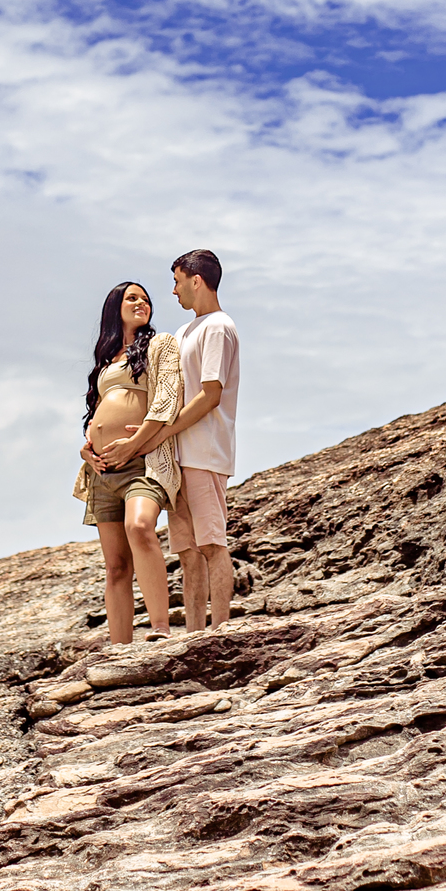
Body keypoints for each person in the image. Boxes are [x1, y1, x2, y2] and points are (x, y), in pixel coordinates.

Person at [73, 281, 183, 644]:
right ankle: (118, 647)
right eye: (132, 298)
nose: (142, 303)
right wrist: (86, 450)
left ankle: (160, 629)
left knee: (140, 527)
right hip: (102, 470)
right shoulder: (106, 359)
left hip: (143, 461)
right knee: (116, 565)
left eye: (146, 299)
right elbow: (96, 417)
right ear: (114, 308)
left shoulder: (160, 344)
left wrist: (134, 444)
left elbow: (167, 401)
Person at [161, 249, 239, 632]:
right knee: (188, 553)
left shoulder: (218, 327)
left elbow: (211, 394)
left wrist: (164, 431)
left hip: (204, 452)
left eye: (177, 281)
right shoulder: (183, 332)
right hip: (178, 455)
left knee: (211, 544)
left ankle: (220, 629)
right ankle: (193, 634)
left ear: (196, 280)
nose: (173, 291)